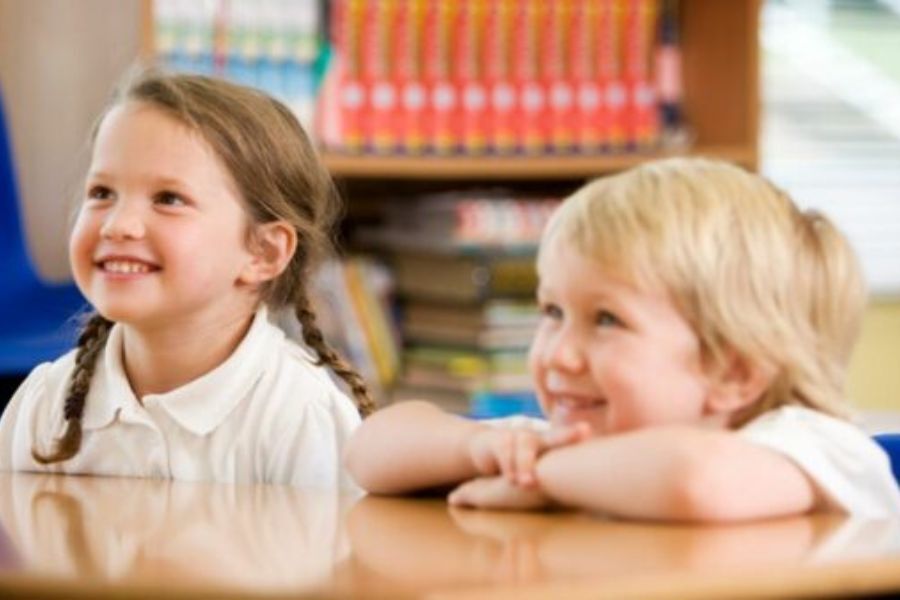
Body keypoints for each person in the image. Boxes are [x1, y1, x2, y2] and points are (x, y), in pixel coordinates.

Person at [346, 157, 900, 520]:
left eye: (607, 320)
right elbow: (370, 451)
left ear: (735, 373)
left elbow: (695, 481)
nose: (558, 353)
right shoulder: (579, 436)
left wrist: (539, 479)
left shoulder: (813, 445)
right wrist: (477, 448)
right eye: (552, 310)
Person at [0, 69, 373, 489]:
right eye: (102, 193)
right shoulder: (45, 401)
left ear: (263, 252)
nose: (118, 225)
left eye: (168, 199)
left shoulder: (301, 417)